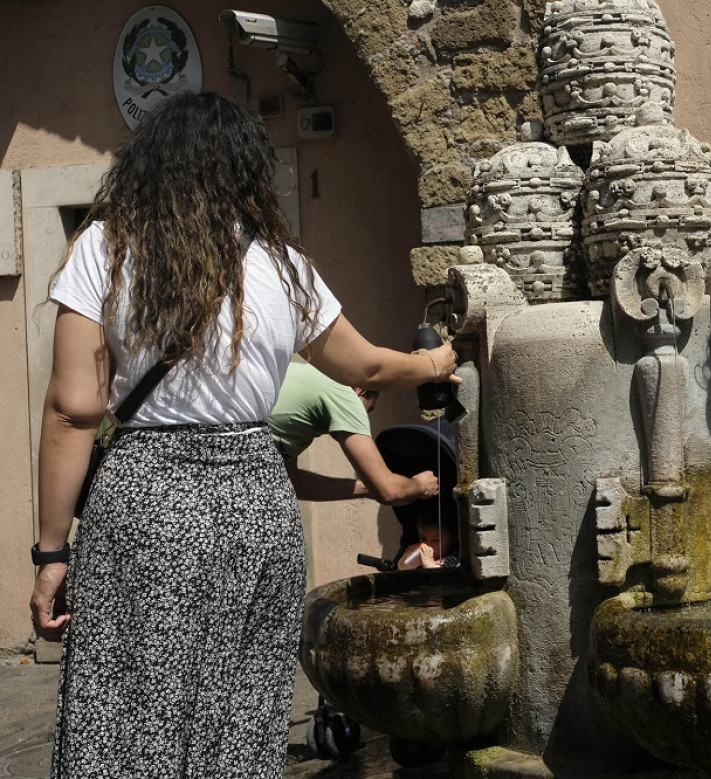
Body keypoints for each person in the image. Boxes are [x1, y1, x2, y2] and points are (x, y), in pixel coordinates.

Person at [27, 91, 460, 778]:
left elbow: (73, 410)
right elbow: (367, 364)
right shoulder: (282, 266)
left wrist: (51, 551)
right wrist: (433, 363)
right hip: (254, 499)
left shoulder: (103, 248)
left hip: (145, 498)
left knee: (128, 703)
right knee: (241, 710)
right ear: (245, 172)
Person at [268, 361, 440, 504]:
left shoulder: (311, 380)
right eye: (367, 410)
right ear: (360, 390)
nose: (363, 419)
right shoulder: (342, 394)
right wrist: (419, 486)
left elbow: (294, 482)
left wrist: (369, 487)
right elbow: (389, 491)